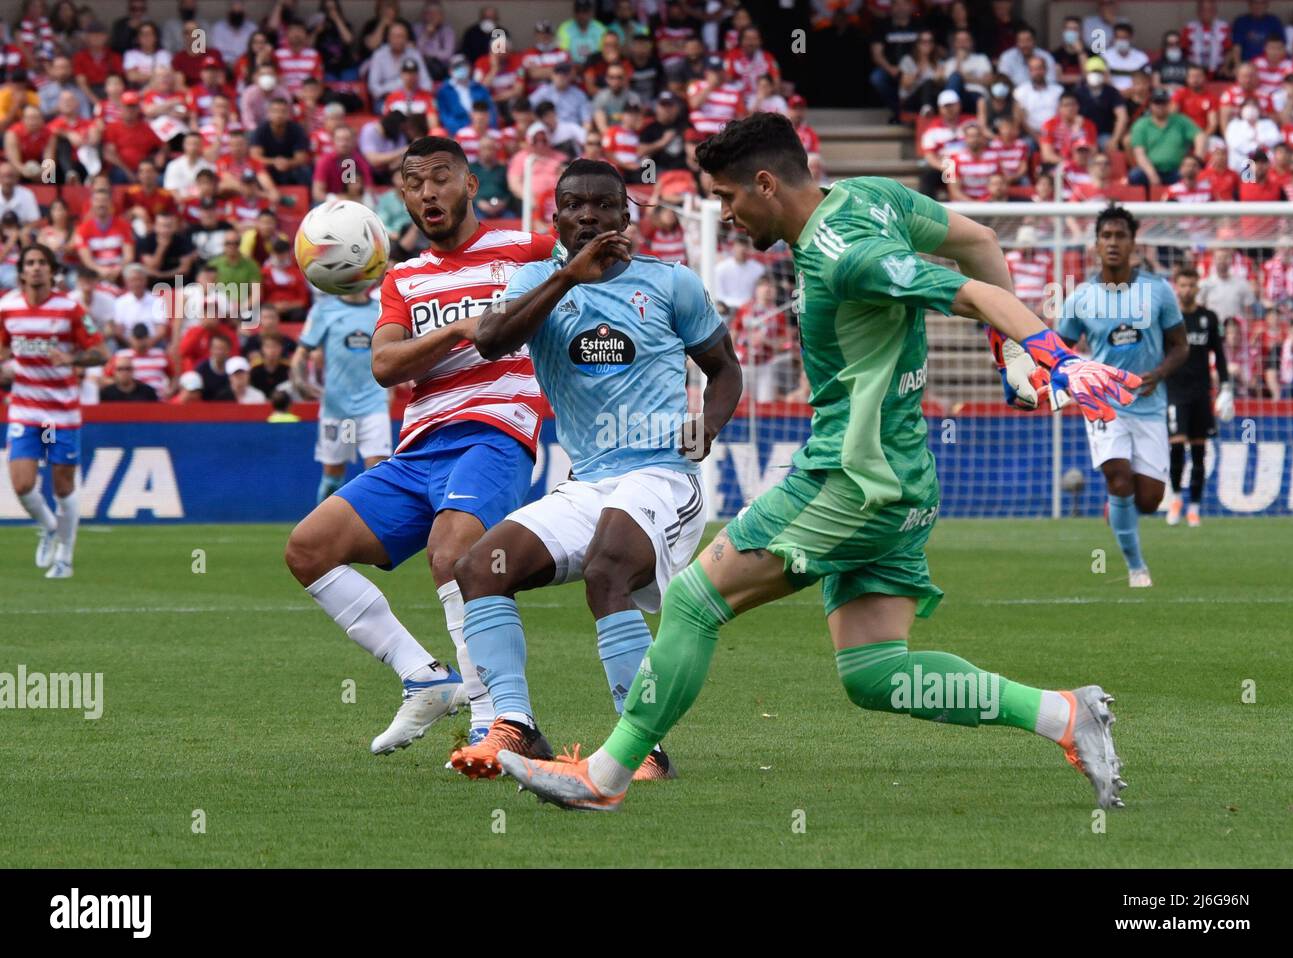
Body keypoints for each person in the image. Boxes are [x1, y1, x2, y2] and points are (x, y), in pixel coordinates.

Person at [496, 113, 1142, 813]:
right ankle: (1064, 716)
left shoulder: (844, 256)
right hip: (904, 480)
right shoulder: (872, 195)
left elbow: (974, 291)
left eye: (727, 198)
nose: (726, 215)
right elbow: (980, 242)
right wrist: (1013, 358)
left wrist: (1053, 355)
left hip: (849, 478)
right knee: (875, 673)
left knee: (692, 601)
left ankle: (605, 776)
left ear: (765, 183)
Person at [446, 158, 742, 781]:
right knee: (478, 566)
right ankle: (517, 726)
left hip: (663, 475)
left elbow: (725, 369)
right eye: (575, 205)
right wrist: (568, 278)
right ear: (555, 218)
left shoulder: (672, 284)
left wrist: (707, 427)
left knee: (607, 567)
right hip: (588, 480)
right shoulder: (534, 280)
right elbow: (494, 340)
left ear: (625, 215)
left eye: (603, 205)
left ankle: (641, 750)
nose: (589, 215)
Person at [282, 135, 556, 756]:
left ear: (471, 184)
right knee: (307, 549)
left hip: (497, 429)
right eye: (413, 183)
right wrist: (461, 329)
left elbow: (596, 279)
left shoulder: (529, 249)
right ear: (401, 196)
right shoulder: (403, 278)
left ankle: (494, 721)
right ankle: (424, 678)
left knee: (453, 549)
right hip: (420, 446)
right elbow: (385, 363)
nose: (426, 192)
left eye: (439, 177)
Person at [1058, 206, 1190, 587]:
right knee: (1118, 478)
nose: (1113, 243)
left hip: (1149, 406)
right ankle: (1136, 568)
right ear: (1096, 244)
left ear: (1134, 243)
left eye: (1121, 236)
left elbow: (1181, 347)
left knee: (1147, 499)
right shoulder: (1080, 298)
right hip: (1103, 405)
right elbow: (1059, 350)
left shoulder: (1159, 291)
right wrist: (1068, 378)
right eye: (1106, 236)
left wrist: (1160, 373)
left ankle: (1119, 506)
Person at [1, 243, 108, 579]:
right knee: (21, 485)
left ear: (51, 270)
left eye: (41, 263)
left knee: (63, 488)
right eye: (30, 263)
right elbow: (3, 348)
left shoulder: (70, 309)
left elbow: (101, 352)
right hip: (25, 408)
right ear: (21, 271)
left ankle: (65, 556)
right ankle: (49, 527)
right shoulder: (7, 308)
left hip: (62, 412)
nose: (35, 268)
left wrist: (72, 359)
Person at [291, 288, 391, 503]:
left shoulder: (381, 310)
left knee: (379, 474)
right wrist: (301, 382)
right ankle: (321, 534)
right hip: (337, 408)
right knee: (333, 477)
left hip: (373, 404)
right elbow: (301, 353)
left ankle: (374, 534)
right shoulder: (324, 310)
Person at [1166, 267, 1231, 528]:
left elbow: (1220, 354)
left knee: (1200, 452)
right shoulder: (1168, 319)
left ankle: (1194, 508)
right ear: (1176, 287)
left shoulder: (1209, 318)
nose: (1187, 290)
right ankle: (1176, 499)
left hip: (1201, 393)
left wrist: (1226, 386)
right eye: (1183, 285)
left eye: (1192, 285)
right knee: (1177, 446)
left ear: (1198, 287)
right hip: (1174, 391)